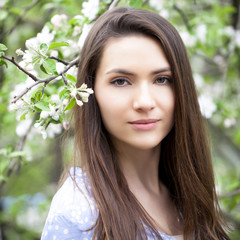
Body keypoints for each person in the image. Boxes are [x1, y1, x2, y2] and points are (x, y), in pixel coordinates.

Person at [41, 6, 229, 240]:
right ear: (89, 92)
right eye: (121, 82)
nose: (144, 102)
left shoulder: (191, 196)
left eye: (162, 79)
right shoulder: (80, 211)